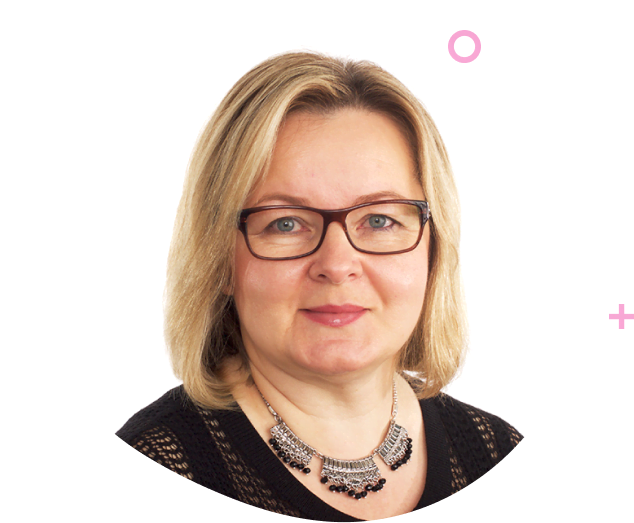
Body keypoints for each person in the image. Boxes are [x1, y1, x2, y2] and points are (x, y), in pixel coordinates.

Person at [116, 51, 524, 522]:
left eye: (379, 220)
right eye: (285, 223)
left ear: (434, 249)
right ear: (219, 259)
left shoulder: (503, 458)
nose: (337, 265)